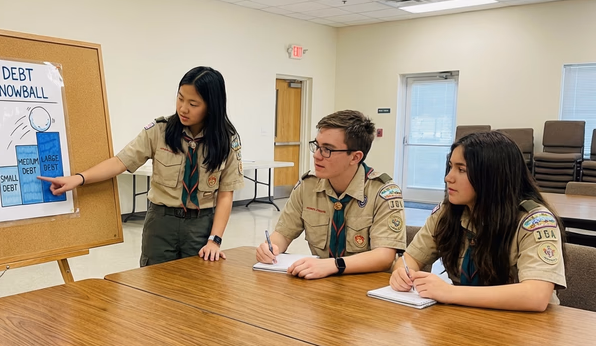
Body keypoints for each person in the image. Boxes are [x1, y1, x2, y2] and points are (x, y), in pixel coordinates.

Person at [39, 66, 243, 266]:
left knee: (198, 288)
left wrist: (214, 240)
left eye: (193, 103)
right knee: (154, 285)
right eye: (180, 98)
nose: (183, 108)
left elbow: (226, 194)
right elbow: (120, 161)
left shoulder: (226, 140)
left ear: (211, 106)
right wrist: (78, 178)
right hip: (161, 224)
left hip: (201, 225)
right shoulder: (159, 131)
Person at [390, 131, 566, 311]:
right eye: (450, 167)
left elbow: (535, 296)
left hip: (528, 328)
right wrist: (401, 274)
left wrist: (450, 293)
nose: (448, 178)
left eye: (461, 170)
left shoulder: (534, 221)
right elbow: (409, 259)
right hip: (469, 319)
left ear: (491, 176)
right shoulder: (448, 213)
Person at [256, 110, 406, 279]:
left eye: (327, 150)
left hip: (366, 286)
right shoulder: (308, 186)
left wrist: (334, 265)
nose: (316, 155)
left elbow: (384, 257)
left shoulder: (382, 192)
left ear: (355, 157)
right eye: (317, 146)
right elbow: (283, 234)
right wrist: (271, 248)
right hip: (320, 283)